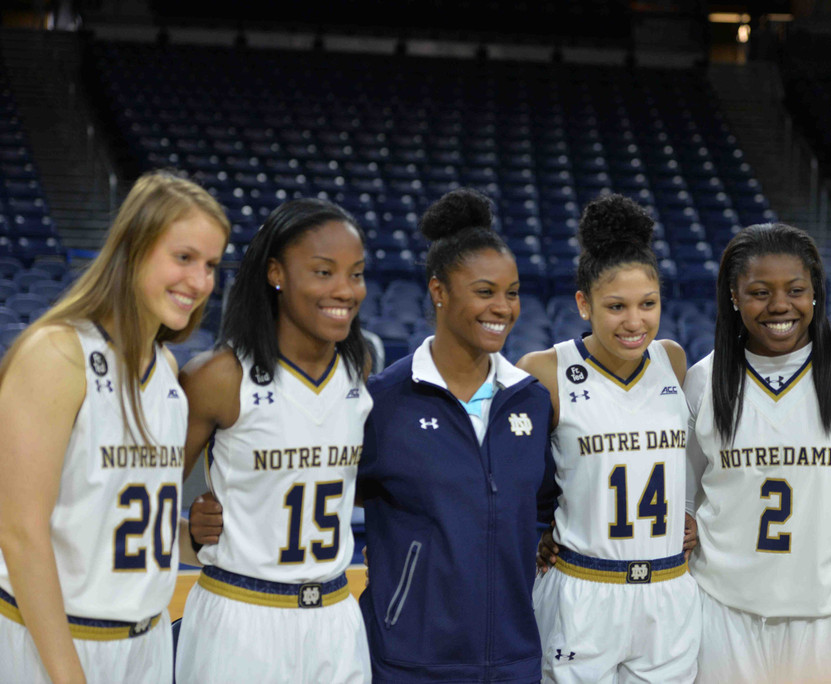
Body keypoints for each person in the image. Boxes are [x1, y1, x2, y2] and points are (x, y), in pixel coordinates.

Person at [0, 170, 229, 683]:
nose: (199, 282)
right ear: (133, 248)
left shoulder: (168, 370)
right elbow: (19, 532)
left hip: (144, 646)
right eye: (184, 257)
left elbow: (109, 519)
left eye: (211, 265)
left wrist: (191, 537)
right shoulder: (57, 353)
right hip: (55, 646)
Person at [683, 223, 831, 684]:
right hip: (721, 617)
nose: (779, 306)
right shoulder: (703, 380)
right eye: (759, 291)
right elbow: (686, 503)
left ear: (815, 291)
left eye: (795, 289)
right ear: (734, 295)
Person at [356, 188, 556, 682]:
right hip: (410, 661)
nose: (504, 308)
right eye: (485, 292)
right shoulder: (383, 401)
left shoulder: (530, 399)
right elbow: (321, 489)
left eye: (512, 293)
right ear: (439, 291)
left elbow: (546, 507)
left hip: (512, 660)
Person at [174, 198, 374, 683]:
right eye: (324, 272)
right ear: (275, 273)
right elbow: (141, 492)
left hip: (334, 612)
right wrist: (190, 536)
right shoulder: (217, 376)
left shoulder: (358, 367)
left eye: (356, 274)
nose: (344, 290)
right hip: (241, 614)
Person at [520, 194, 700, 682]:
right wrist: (537, 533)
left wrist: (695, 516)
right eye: (616, 306)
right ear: (584, 303)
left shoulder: (674, 361)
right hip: (583, 588)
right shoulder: (545, 370)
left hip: (668, 587)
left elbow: (698, 461)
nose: (635, 321)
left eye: (648, 304)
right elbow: (515, 476)